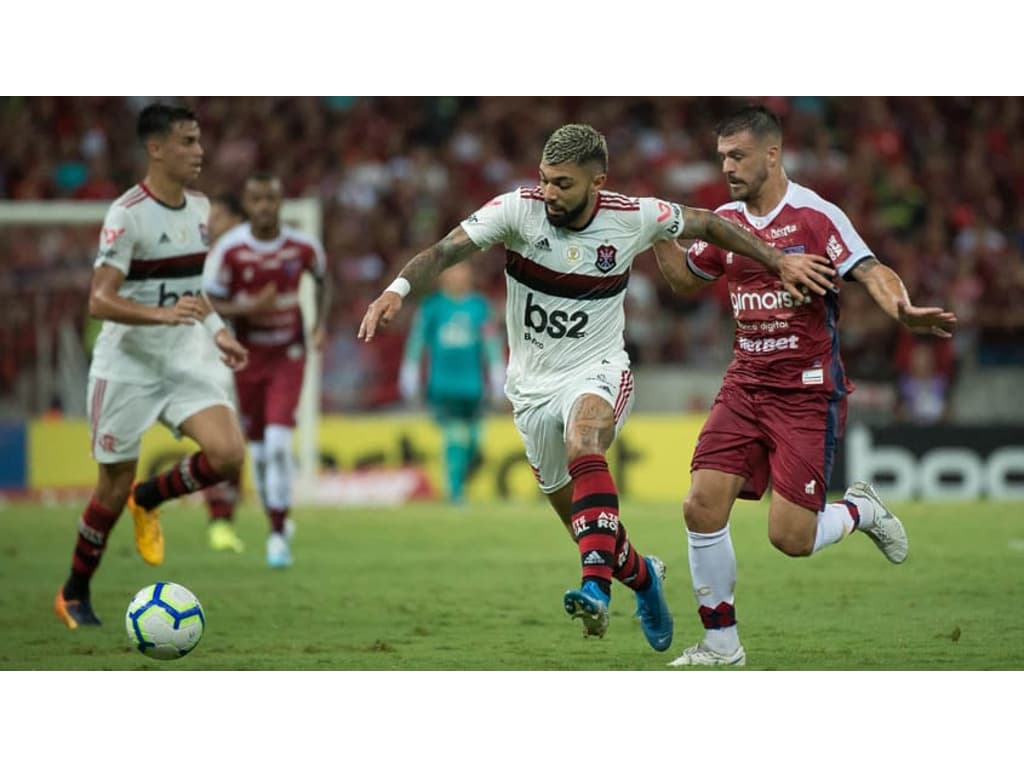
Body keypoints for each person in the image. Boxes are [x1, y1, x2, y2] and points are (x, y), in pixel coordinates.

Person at [358, 123, 836, 652]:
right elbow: (446, 250)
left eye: (563, 184)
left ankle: (595, 590)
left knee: (584, 441)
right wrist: (396, 290)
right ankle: (644, 579)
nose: (550, 193)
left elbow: (707, 224)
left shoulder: (631, 216)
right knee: (589, 531)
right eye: (544, 180)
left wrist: (778, 260)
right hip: (531, 387)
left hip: (599, 369)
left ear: (597, 181)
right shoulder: (517, 210)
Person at [651, 105, 957, 666]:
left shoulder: (816, 215)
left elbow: (870, 270)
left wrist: (902, 308)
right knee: (700, 506)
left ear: (773, 154)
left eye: (738, 156)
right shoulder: (725, 221)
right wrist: (653, 230)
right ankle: (722, 645)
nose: (728, 168)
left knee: (790, 538)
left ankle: (861, 511)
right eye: (722, 158)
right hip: (744, 385)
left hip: (804, 392)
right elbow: (683, 282)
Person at [55, 103, 248, 629]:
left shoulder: (202, 209)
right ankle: (74, 592)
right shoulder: (127, 214)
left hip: (182, 360)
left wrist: (220, 331)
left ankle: (151, 497)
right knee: (109, 489)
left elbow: (192, 291)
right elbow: (99, 299)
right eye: (187, 142)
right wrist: (161, 316)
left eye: (199, 141)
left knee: (229, 454)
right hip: (127, 368)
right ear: (156, 148)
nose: (199, 151)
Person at [202, 172, 331, 568]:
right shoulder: (230, 250)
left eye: (270, 199)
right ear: (248, 203)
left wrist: (318, 323)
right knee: (256, 453)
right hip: (248, 357)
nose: (263, 207)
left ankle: (277, 534)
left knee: (277, 444)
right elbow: (207, 300)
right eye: (256, 200)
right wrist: (249, 309)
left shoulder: (302, 246)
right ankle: (275, 516)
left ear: (280, 201)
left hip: (288, 355)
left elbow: (323, 280)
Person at [399, 260, 505, 504]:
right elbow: (417, 340)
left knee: (475, 439)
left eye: (462, 271)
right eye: (452, 271)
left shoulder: (479, 307)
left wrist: (498, 372)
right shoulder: (432, 307)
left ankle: (461, 480)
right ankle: (455, 492)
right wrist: (410, 370)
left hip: (473, 385)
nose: (457, 276)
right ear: (442, 277)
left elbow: (491, 342)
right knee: (455, 436)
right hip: (443, 385)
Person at [203, 192, 248, 553]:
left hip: (219, 353)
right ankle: (221, 516)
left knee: (228, 440)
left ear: (234, 218)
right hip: (226, 353)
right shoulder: (236, 248)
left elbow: (207, 300)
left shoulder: (230, 246)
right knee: (228, 439)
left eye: (216, 214)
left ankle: (222, 515)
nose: (210, 222)